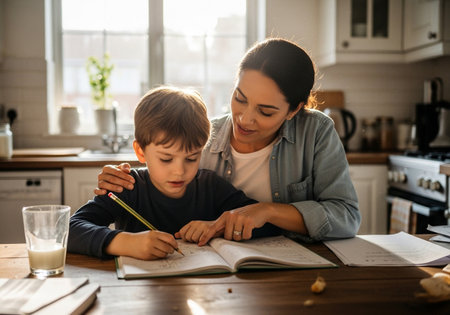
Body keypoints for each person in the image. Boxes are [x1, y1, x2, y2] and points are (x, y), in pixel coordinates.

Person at [93, 38, 361, 246]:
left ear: (294, 110)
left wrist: (267, 211)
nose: (244, 119)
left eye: (266, 111)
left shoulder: (316, 132)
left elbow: (346, 217)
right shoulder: (204, 138)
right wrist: (124, 178)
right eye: (240, 98)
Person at [68, 86, 279, 260]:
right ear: (140, 151)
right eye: (166, 159)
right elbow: (71, 230)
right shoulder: (128, 186)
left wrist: (216, 227)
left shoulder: (210, 186)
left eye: (191, 158)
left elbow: (267, 225)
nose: (179, 171)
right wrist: (125, 242)